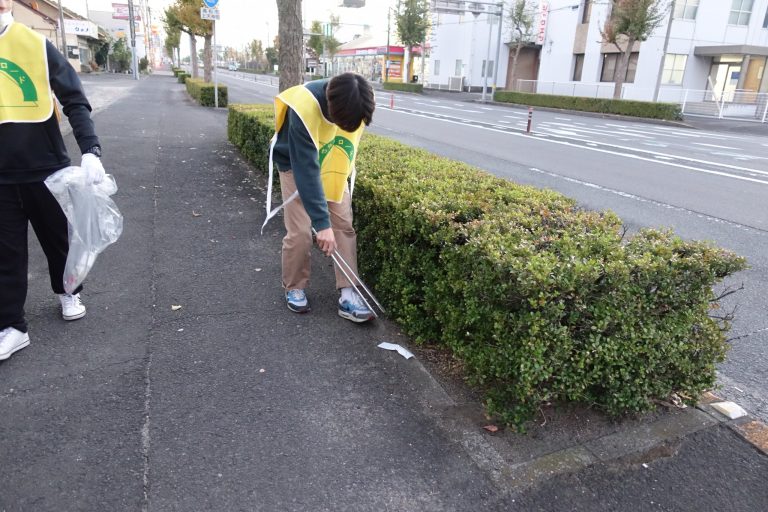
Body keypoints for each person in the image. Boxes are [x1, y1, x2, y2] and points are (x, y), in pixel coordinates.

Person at [0, 0, 106, 361]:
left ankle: (68, 291)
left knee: (57, 239)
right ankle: (12, 326)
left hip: (45, 166)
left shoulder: (35, 45)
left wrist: (90, 148)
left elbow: (74, 99)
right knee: (5, 253)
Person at [266, 72, 375, 322]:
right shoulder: (303, 108)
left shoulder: (360, 100)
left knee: (343, 226)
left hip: (334, 160)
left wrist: (330, 224)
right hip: (295, 165)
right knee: (301, 231)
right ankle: (294, 286)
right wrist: (321, 224)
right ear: (331, 109)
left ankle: (348, 293)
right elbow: (306, 171)